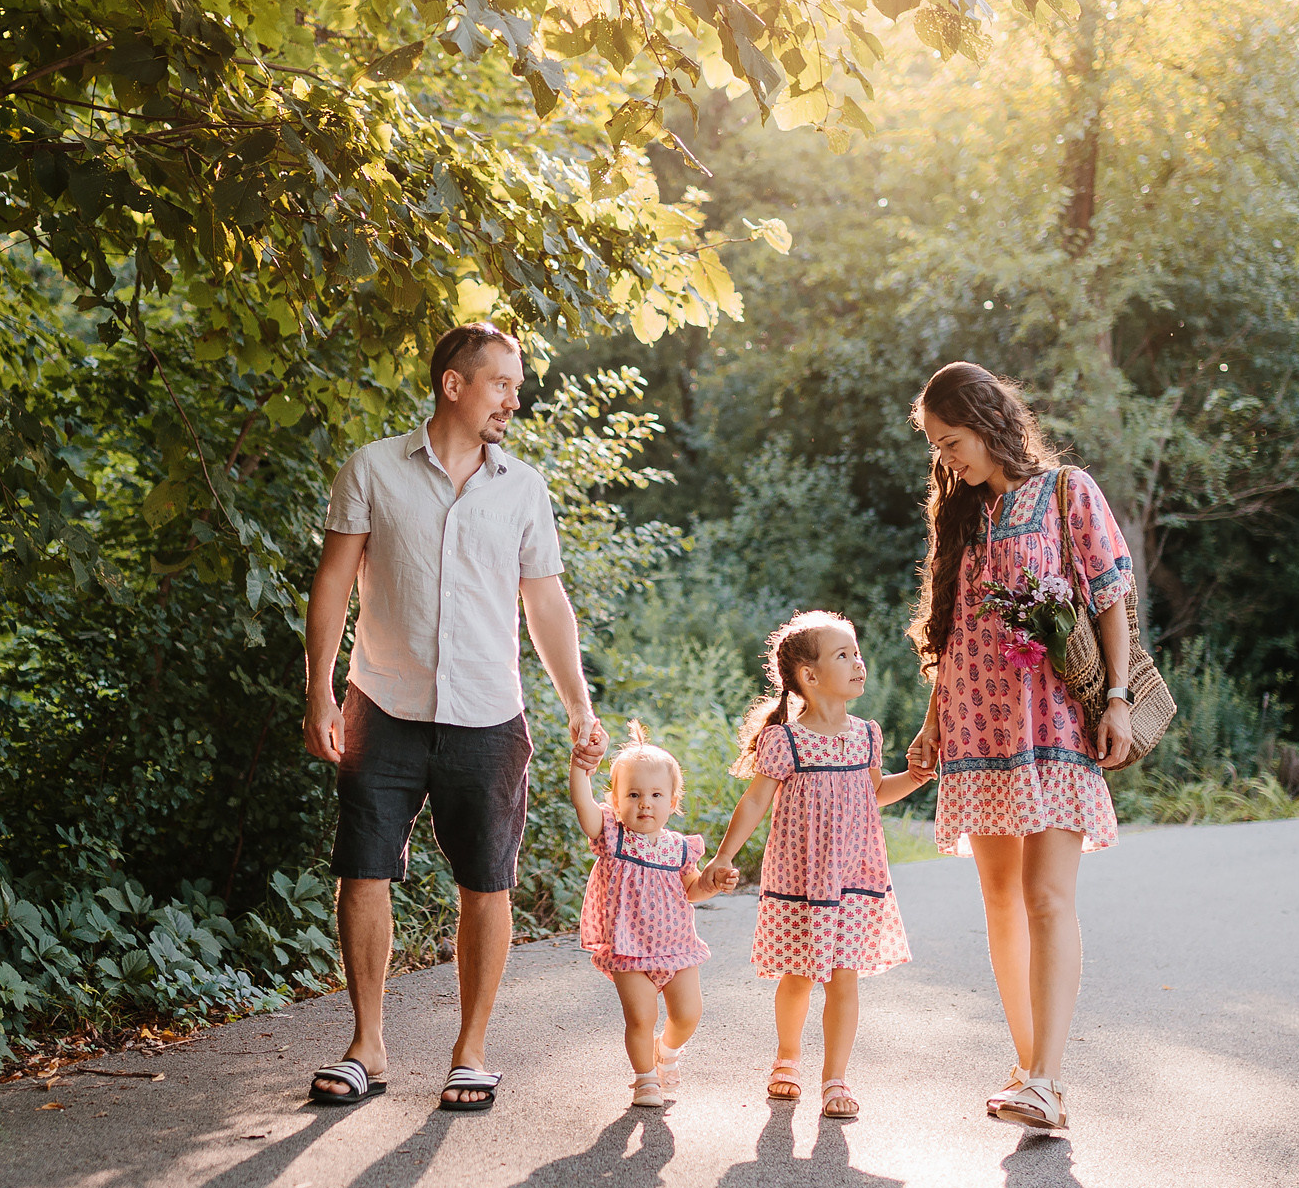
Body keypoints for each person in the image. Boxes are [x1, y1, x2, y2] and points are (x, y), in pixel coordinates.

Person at [303, 322, 610, 1112]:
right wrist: (320, 690)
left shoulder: (523, 488)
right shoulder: (372, 469)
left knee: (487, 880)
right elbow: (333, 581)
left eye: (516, 386)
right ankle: (367, 1046)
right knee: (363, 869)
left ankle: (470, 1051)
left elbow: (546, 602)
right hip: (383, 704)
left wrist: (578, 704)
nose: (514, 399)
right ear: (454, 384)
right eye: (502, 383)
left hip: (488, 714)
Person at [901, 361, 1137, 1135]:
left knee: (1046, 896)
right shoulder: (963, 515)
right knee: (1000, 898)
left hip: (1054, 725)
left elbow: (1111, 596)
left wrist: (1118, 697)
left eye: (952, 440)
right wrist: (933, 720)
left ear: (986, 421)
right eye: (937, 446)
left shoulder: (1068, 491)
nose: (946, 457)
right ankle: (1031, 1065)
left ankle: (1047, 1079)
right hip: (975, 729)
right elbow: (954, 630)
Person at [711, 610, 930, 1120]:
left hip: (855, 877)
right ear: (809, 676)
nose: (858, 663)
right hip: (801, 880)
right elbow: (755, 801)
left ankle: (835, 1079)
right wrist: (723, 856)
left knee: (844, 977)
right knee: (798, 975)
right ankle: (787, 1058)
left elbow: (875, 793)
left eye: (857, 653)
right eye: (843, 655)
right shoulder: (786, 740)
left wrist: (917, 778)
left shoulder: (867, 735)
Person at [568, 723, 738, 1108]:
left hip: (677, 947)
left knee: (688, 1014)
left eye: (656, 795)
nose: (645, 803)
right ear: (615, 801)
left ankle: (668, 1050)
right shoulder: (612, 836)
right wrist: (580, 767)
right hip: (629, 948)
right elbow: (583, 804)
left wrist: (713, 883)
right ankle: (645, 1079)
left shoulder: (679, 848)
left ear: (672, 802)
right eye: (633, 794)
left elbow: (692, 889)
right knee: (641, 1018)